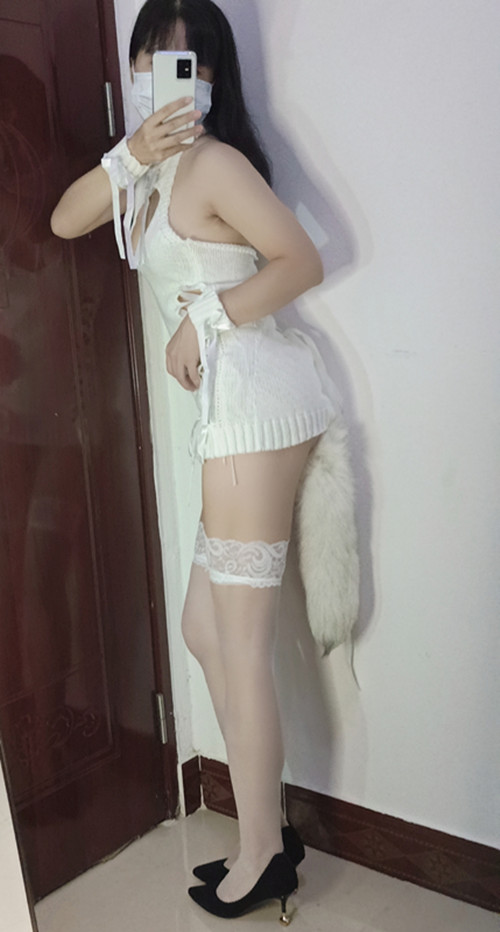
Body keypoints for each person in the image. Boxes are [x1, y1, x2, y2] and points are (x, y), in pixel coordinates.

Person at [51, 0, 344, 922]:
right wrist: (129, 153)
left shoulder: (216, 163)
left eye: (195, 63)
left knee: (238, 643)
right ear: (135, 66)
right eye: (156, 58)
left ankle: (264, 853)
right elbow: (64, 220)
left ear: (217, 80)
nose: (174, 78)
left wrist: (205, 317)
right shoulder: (150, 170)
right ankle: (267, 833)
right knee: (204, 630)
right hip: (229, 412)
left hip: (256, 403)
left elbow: (300, 261)